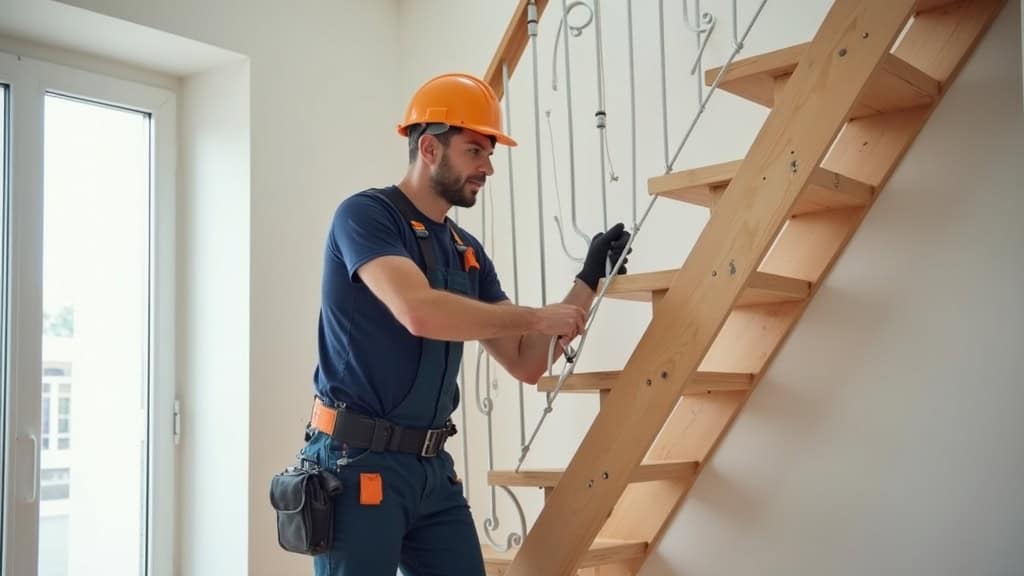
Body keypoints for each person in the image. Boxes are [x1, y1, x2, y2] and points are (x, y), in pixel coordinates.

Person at [302, 72, 631, 575]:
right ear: (429, 148)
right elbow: (419, 312)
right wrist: (537, 314)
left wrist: (587, 280)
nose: (488, 167)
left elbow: (526, 360)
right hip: (355, 458)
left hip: (431, 467)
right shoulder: (366, 217)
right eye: (476, 151)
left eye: (490, 153)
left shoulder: (465, 251)